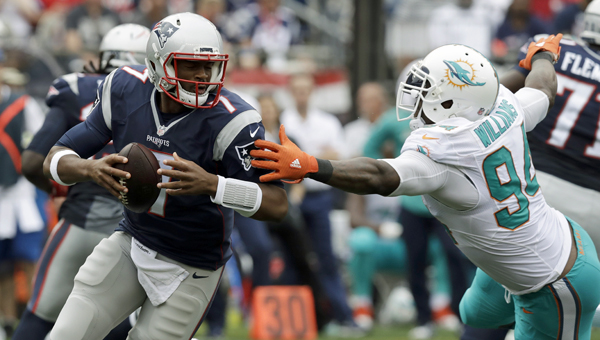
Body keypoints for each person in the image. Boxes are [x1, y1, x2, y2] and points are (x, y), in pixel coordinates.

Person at [251, 36, 600, 339]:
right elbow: (543, 88)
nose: (416, 101)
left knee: (509, 318)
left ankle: (542, 319)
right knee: (473, 314)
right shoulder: (505, 106)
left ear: (452, 104)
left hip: (555, 280)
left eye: (426, 93)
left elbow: (378, 175)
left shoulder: (443, 151)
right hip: (554, 235)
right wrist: (543, 54)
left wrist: (313, 166)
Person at [42, 12, 287, 340]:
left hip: (193, 265)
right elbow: (55, 158)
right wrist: (89, 169)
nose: (203, 75)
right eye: (190, 65)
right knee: (68, 334)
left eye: (209, 66)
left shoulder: (233, 120)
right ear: (158, 63)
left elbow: (277, 204)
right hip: (132, 242)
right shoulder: (124, 87)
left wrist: (214, 185)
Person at [13, 23, 151, 340]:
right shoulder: (160, 99)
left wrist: (60, 190)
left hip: (79, 220)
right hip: (133, 229)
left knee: (40, 316)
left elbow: (34, 161)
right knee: (118, 323)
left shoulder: (78, 87)